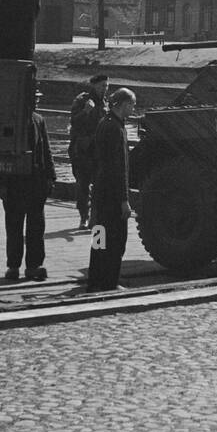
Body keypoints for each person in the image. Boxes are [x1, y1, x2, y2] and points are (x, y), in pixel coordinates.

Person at [85, 87, 134, 292]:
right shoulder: (116, 128)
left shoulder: (104, 124)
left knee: (99, 238)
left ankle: (95, 279)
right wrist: (124, 199)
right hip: (112, 196)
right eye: (132, 104)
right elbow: (119, 167)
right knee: (116, 240)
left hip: (100, 192)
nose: (133, 108)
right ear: (123, 104)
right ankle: (110, 281)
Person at [4, 89, 56, 281]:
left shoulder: (39, 119)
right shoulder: (12, 118)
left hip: (36, 181)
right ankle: (13, 266)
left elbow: (46, 150)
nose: (35, 102)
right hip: (15, 181)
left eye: (37, 99)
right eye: (33, 99)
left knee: (36, 227)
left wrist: (51, 176)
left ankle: (34, 265)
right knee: (14, 227)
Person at [68, 73, 108, 231]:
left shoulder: (107, 102)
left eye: (106, 86)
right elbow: (74, 122)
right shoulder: (82, 100)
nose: (104, 89)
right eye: (101, 86)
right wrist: (85, 111)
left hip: (100, 150)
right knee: (83, 185)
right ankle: (84, 216)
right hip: (83, 150)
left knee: (99, 185)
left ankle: (95, 217)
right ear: (94, 86)